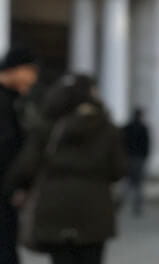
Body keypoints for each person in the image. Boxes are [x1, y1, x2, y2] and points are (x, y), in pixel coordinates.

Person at [4, 73, 126, 264]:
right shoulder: (106, 128)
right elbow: (118, 169)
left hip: (55, 206)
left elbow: (26, 166)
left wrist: (17, 189)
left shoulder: (47, 127)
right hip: (95, 207)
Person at [0, 48, 38, 264]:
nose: (33, 78)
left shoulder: (14, 102)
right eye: (30, 70)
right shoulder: (5, 103)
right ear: (15, 69)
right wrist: (15, 186)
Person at [120, 108, 150, 217]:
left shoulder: (126, 128)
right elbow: (147, 145)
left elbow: (121, 143)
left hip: (128, 158)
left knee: (127, 183)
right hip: (138, 159)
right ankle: (137, 206)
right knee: (138, 185)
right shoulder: (143, 128)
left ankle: (120, 203)